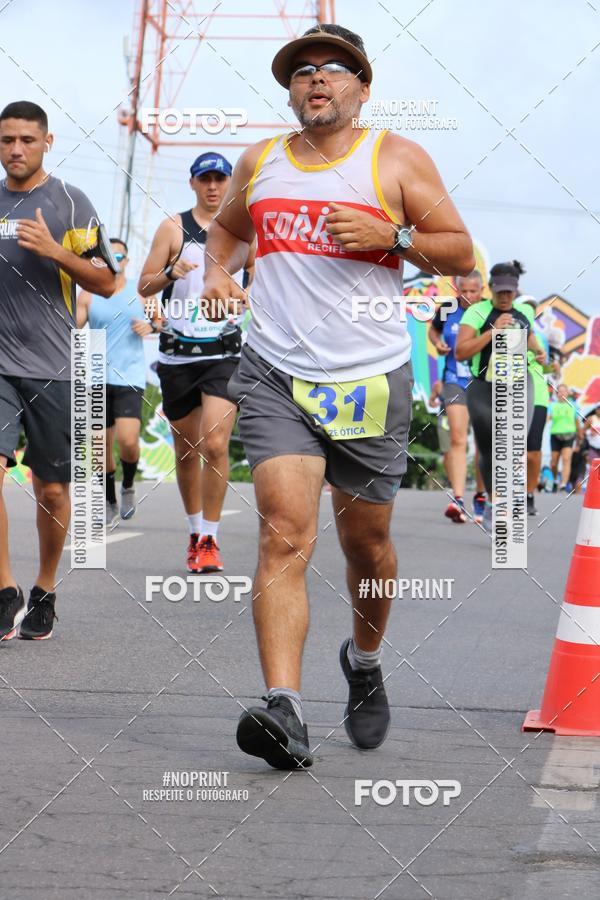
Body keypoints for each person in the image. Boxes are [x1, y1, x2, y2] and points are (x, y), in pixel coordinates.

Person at [201, 23, 475, 768]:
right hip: (275, 375)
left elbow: (458, 248)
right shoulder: (261, 161)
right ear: (289, 91)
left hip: (369, 381)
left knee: (368, 546)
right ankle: (284, 711)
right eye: (301, 72)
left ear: (361, 87)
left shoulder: (395, 158)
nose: (315, 79)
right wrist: (217, 274)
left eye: (332, 69)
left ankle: (362, 659)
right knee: (283, 535)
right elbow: (224, 234)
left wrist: (393, 234)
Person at [0, 101, 115, 641]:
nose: (15, 149)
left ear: (47, 142)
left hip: (54, 368)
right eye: (6, 140)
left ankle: (44, 587)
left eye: (26, 139)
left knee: (50, 490)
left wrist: (53, 250)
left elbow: (107, 282)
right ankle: (5, 590)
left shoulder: (71, 203)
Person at [138, 153, 254, 574]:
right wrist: (170, 272)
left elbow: (258, 281)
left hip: (224, 351)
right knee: (187, 452)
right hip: (177, 353)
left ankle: (210, 538)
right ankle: (193, 533)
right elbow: (144, 286)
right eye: (204, 179)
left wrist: (246, 298)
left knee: (216, 443)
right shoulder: (174, 228)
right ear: (192, 184)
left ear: (229, 184)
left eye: (220, 180)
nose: (212, 187)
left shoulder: (244, 231)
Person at [455, 261, 545, 533]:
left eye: (510, 292)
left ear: (517, 291)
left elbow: (531, 343)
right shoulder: (477, 312)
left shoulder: (525, 312)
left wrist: (539, 353)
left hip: (519, 384)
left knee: (515, 443)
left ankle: (507, 503)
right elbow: (461, 352)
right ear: (491, 289)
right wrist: (492, 332)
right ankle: (494, 503)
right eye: (500, 291)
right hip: (484, 387)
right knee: (489, 448)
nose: (505, 297)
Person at [77, 238, 160, 525]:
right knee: (100, 448)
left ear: (127, 260)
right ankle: (110, 500)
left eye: (120, 255)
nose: (116, 260)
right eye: (109, 255)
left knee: (127, 441)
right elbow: (71, 325)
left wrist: (150, 325)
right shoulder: (88, 293)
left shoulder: (141, 292)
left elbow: (160, 321)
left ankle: (127, 485)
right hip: (97, 377)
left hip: (130, 378)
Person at [429, 272, 487, 523]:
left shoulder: (489, 311)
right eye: (464, 290)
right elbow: (433, 331)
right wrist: (438, 343)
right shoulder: (448, 309)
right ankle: (458, 499)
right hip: (454, 380)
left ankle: (481, 496)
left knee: (483, 443)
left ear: (482, 289)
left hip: (482, 383)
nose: (468, 296)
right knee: (457, 436)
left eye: (473, 291)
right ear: (457, 288)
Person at [519, 295, 553, 516]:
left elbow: (548, 366)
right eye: (526, 308)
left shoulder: (540, 337)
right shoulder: (503, 332)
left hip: (538, 395)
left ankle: (529, 493)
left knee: (532, 451)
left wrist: (549, 364)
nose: (530, 312)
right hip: (509, 392)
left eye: (533, 309)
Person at [548, 384, 581, 491]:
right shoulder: (552, 405)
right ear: (557, 393)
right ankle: (556, 479)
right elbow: (547, 418)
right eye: (559, 391)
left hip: (569, 435)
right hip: (555, 435)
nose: (561, 393)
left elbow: (577, 422)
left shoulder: (573, 405)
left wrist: (579, 438)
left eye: (564, 391)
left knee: (566, 459)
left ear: (567, 393)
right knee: (553, 462)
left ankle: (563, 483)